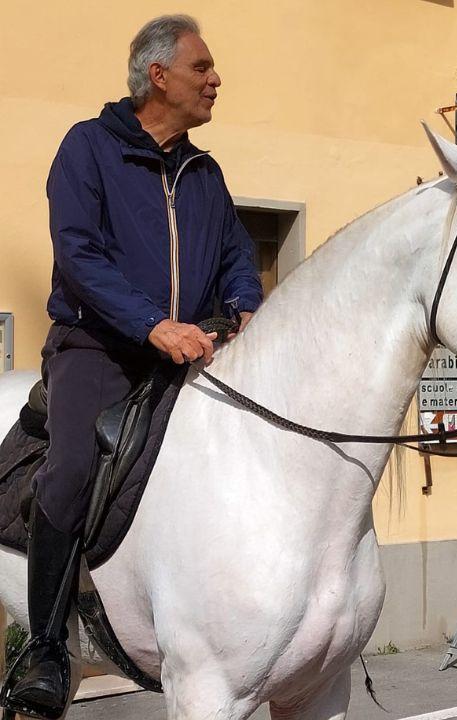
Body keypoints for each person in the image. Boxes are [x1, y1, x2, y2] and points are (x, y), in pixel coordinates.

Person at [2, 16, 263, 718]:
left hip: (193, 345)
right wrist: (152, 324)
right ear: (158, 76)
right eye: (202, 67)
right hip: (99, 348)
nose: (215, 79)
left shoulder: (202, 171)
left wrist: (242, 303)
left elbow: (238, 251)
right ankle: (48, 651)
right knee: (73, 466)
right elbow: (79, 256)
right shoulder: (87, 150)